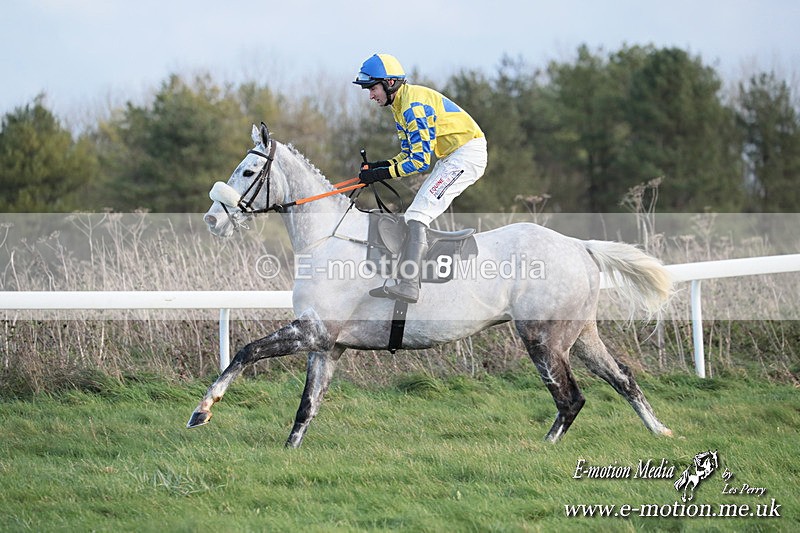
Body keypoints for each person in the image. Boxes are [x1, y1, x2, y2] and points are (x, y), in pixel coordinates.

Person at [353, 53, 488, 303]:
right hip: (453, 156)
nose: (370, 95)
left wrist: (380, 174)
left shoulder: (413, 107)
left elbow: (419, 162)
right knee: (414, 214)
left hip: (466, 155)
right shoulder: (400, 105)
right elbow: (407, 154)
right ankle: (404, 277)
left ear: (390, 83)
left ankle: (410, 285)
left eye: (372, 88)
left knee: (417, 215)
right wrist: (379, 166)